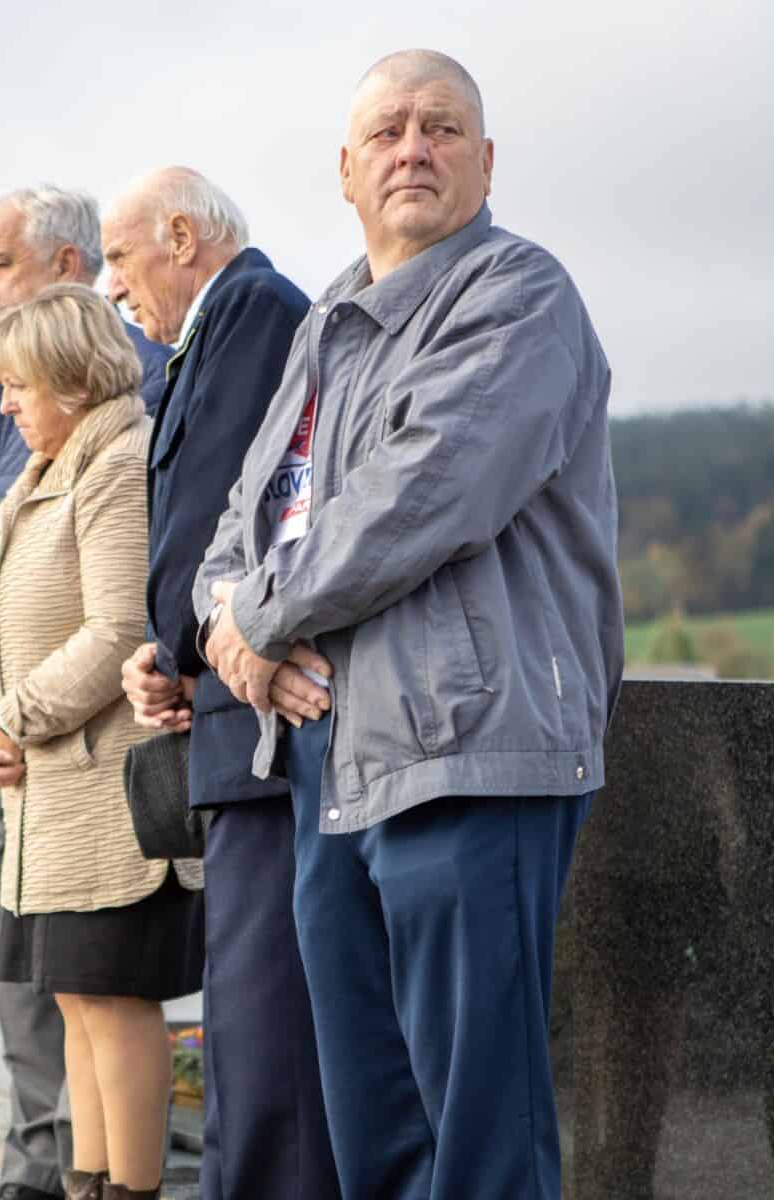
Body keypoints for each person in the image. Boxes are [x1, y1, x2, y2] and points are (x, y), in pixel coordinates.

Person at [195, 50, 622, 1199]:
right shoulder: (325, 322)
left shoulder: (518, 295)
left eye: (440, 128)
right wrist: (228, 631)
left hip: (468, 753)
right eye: (386, 131)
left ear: (484, 160)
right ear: (345, 169)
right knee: (373, 1136)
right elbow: (242, 520)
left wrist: (251, 619)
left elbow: (422, 494)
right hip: (329, 763)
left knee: (480, 1139)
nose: (412, 149)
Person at [106, 168, 337, 1200]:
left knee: (263, 1021)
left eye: (119, 257)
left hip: (260, 732)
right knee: (246, 1022)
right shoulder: (215, 324)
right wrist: (169, 653)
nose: (114, 286)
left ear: (181, 236)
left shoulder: (250, 306)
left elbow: (222, 513)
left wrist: (176, 646)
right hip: (229, 706)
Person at [0, 284, 203, 1200]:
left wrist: (12, 718)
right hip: (50, 801)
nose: (7, 406)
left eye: (17, 385)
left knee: (115, 1001)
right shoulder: (39, 474)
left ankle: (129, 1193)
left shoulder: (117, 464)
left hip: (109, 801)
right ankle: (85, 1187)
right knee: (76, 1002)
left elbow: (116, 630)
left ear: (68, 377)